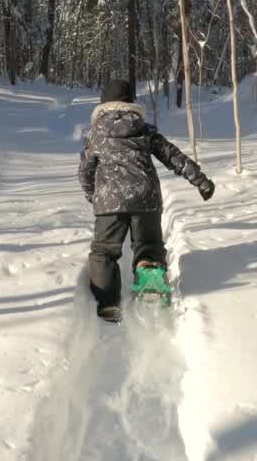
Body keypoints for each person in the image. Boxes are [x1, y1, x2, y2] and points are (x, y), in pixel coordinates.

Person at [78, 79, 214, 322]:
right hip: (145, 197)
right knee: (148, 244)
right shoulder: (144, 129)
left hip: (109, 201)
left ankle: (109, 304)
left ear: (102, 105)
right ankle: (148, 271)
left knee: (104, 252)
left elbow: (85, 171)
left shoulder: (95, 136)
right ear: (131, 103)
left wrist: (93, 196)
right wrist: (200, 180)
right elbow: (173, 156)